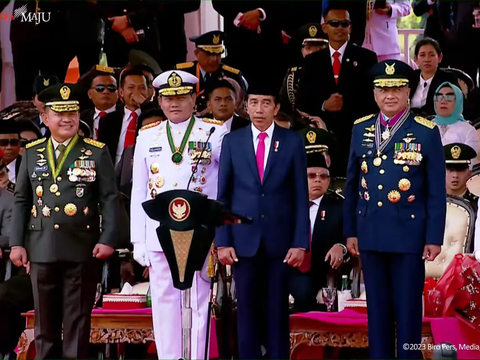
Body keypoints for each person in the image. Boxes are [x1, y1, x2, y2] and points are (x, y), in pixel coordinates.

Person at [344, 60, 446, 360]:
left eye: (397, 89)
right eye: (382, 89)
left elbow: (435, 190)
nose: (389, 95)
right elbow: (352, 184)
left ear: (408, 92)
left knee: (408, 312)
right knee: (377, 312)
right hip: (371, 233)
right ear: (374, 94)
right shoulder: (361, 128)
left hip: (408, 235)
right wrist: (350, 231)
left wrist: (433, 237)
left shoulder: (425, 131)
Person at [9, 83, 120, 359]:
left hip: (81, 247)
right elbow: (22, 200)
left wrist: (108, 239)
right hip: (41, 246)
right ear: (45, 118)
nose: (67, 118)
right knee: (44, 325)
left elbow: (110, 198)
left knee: (77, 323)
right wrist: (16, 244)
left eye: (71, 112)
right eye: (59, 113)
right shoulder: (32, 151)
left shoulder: (95, 151)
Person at [130, 70, 228, 359]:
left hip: (199, 231)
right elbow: (139, 191)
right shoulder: (148, 135)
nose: (175, 103)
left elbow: (224, 185)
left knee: (199, 299)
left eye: (182, 97)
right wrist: (139, 240)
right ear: (159, 101)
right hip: (160, 232)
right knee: (163, 299)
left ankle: (196, 356)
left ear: (193, 100)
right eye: (169, 98)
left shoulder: (214, 131)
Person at [215, 82, 310, 359]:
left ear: (276, 107)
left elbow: (300, 198)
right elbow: (224, 197)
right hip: (243, 242)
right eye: (254, 103)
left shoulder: (292, 141)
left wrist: (299, 242)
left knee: (277, 313)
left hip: (279, 243)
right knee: (246, 313)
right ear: (246, 107)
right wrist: (223, 241)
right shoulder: (232, 142)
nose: (259, 109)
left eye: (266, 103)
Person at [296, 6, 378, 178]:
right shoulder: (312, 61)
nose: (340, 28)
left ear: (351, 27)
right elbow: (301, 101)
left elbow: (373, 100)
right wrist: (324, 105)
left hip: (356, 135)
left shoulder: (367, 58)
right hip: (323, 137)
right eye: (334, 23)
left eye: (344, 23)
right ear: (325, 27)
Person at [289, 128, 346, 313]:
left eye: (323, 176)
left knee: (304, 289)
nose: (318, 180)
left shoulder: (338, 206)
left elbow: (349, 237)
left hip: (318, 271)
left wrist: (340, 246)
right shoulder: (286, 204)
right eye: (311, 176)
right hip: (283, 266)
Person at [175, 31, 246, 115]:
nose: (214, 59)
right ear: (196, 53)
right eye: (209, 54)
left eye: (218, 54)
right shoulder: (182, 73)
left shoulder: (232, 75)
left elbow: (241, 108)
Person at [279, 23, 329, 117]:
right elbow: (284, 108)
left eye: (318, 48)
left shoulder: (336, 75)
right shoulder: (293, 75)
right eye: (308, 48)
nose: (311, 53)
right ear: (302, 51)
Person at [410, 38, 458, 116]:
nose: (427, 59)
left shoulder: (448, 79)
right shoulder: (411, 77)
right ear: (416, 59)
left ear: (439, 58)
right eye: (422, 55)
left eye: (432, 55)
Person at [432, 82, 479, 159]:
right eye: (439, 97)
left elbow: (470, 163)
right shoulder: (426, 127)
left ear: (458, 101)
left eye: (449, 97)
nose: (443, 101)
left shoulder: (468, 130)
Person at [444, 143, 478, 211]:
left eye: (460, 170)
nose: (455, 175)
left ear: (469, 174)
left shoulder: (477, 204)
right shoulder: (432, 202)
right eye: (450, 170)